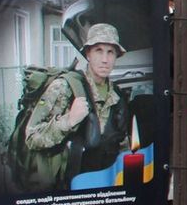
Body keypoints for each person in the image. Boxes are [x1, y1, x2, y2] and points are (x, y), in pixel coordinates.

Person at [23, 22, 131, 188]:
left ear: (116, 56)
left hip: (103, 187)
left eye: (111, 52)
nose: (105, 59)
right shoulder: (65, 87)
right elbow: (31, 138)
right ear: (88, 54)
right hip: (66, 189)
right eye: (98, 51)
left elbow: (120, 145)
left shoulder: (117, 96)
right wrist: (69, 120)